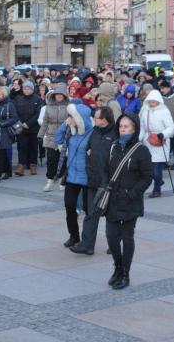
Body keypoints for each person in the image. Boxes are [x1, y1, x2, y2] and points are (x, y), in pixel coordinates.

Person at [105, 114, 152, 289]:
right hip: (113, 199)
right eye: (121, 126)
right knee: (111, 236)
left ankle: (125, 273)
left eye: (126, 126)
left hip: (131, 201)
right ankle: (117, 267)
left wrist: (132, 193)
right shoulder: (114, 147)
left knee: (127, 236)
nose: (122, 129)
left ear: (134, 128)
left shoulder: (141, 150)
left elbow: (147, 177)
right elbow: (106, 170)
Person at [71, 107, 117, 255]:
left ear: (105, 119)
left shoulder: (115, 133)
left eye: (96, 118)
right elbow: (88, 148)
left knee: (112, 214)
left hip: (109, 181)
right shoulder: (95, 131)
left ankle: (115, 244)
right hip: (93, 179)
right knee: (91, 213)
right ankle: (87, 245)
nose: (94, 120)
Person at [54, 103, 93, 248]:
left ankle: (88, 240)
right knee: (70, 207)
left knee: (89, 211)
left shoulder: (92, 133)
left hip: (87, 178)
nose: (70, 119)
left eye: (72, 117)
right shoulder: (72, 131)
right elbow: (57, 140)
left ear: (80, 118)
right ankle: (74, 236)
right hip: (72, 177)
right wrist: (65, 125)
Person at [139, 90, 174, 198]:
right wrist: (139, 138)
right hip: (148, 141)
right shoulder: (145, 111)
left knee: (156, 169)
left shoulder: (164, 111)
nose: (151, 103)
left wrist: (163, 134)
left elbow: (171, 127)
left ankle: (157, 189)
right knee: (148, 169)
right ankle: (159, 181)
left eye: (153, 102)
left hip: (160, 142)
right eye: (150, 101)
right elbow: (142, 126)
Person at [38, 85, 69, 191]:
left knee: (63, 159)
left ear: (64, 96)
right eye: (57, 95)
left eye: (61, 95)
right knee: (51, 159)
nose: (59, 97)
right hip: (50, 136)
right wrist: (40, 135)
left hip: (64, 136)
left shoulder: (69, 107)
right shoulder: (48, 107)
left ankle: (62, 180)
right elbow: (45, 122)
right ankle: (50, 180)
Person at [14, 81, 44, 176]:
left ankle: (33, 165)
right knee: (22, 147)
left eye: (28, 89)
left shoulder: (38, 99)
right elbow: (15, 113)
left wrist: (28, 123)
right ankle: (21, 165)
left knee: (34, 147)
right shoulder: (19, 99)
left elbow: (38, 114)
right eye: (25, 88)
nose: (26, 90)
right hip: (22, 128)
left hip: (34, 128)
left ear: (32, 89)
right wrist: (21, 123)